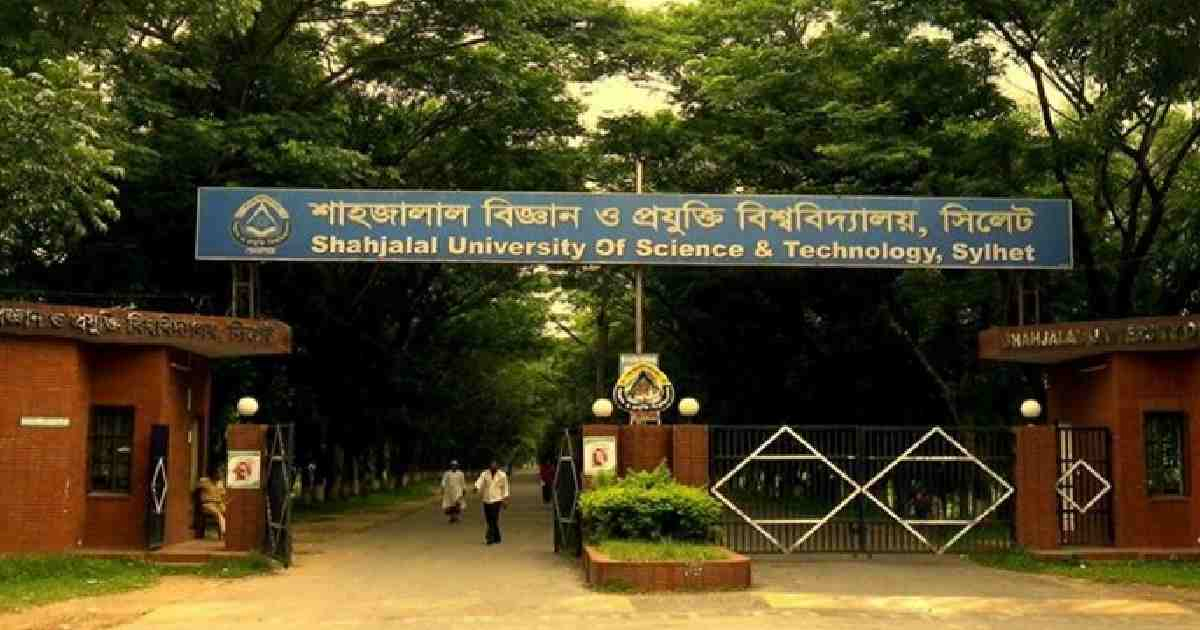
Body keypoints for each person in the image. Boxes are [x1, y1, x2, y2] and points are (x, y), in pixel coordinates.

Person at [473, 460, 510, 544]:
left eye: (494, 465)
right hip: (486, 499)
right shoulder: (485, 473)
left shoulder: (502, 475)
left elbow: (505, 488)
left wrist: (505, 499)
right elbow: (480, 481)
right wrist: (476, 487)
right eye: (491, 465)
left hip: (497, 499)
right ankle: (497, 537)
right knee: (489, 519)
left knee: (493, 518)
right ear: (489, 466)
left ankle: (490, 538)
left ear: (497, 466)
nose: (493, 467)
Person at [197, 468, 227, 540]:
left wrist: (224, 501)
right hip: (207, 504)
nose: (220, 475)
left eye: (220, 473)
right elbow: (197, 487)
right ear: (213, 474)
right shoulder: (204, 481)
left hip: (218, 503)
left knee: (228, 512)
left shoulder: (220, 483)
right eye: (218, 473)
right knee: (218, 513)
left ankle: (229, 531)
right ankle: (224, 532)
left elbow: (223, 494)